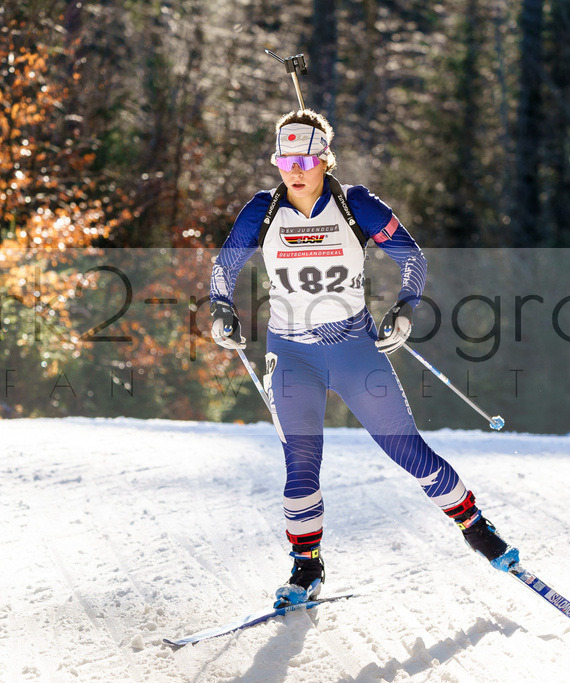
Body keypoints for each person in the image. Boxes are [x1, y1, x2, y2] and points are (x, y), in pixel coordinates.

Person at [208, 109, 518, 607]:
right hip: (292, 357)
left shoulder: (355, 205)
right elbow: (223, 268)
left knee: (407, 451)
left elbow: (413, 257)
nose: (295, 167)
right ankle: (306, 569)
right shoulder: (262, 211)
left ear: (324, 159)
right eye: (286, 157)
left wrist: (404, 308)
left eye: (306, 156)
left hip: (354, 352)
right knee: (300, 466)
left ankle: (477, 528)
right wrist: (222, 309)